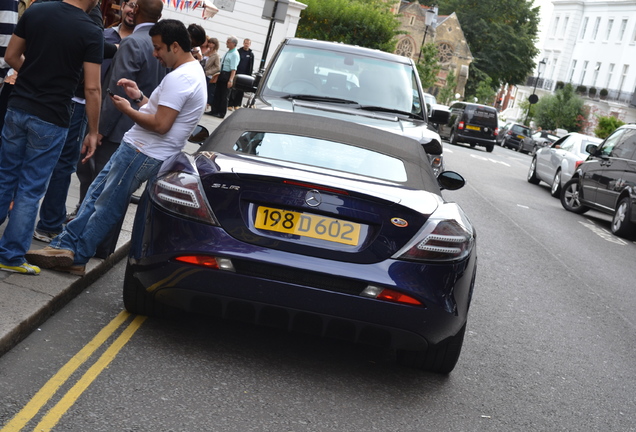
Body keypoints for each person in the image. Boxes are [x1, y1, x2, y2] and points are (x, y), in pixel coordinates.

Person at [25, 18, 207, 276]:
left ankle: (78, 256)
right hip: (139, 149)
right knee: (94, 198)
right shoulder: (190, 73)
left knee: (106, 205)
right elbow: (162, 113)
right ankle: (64, 247)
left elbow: (160, 124)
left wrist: (127, 110)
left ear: (174, 46)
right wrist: (140, 98)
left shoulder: (182, 78)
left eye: (157, 48)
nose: (154, 54)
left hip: (143, 151)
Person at [0, 0, 103, 275]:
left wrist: (33, 74)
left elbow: (11, 56)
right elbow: (92, 88)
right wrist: (93, 132)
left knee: (5, 175)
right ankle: (10, 256)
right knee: (30, 188)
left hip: (18, 106)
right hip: (52, 115)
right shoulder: (91, 30)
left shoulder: (36, 10)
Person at [90, 0, 165, 259]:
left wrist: (98, 130)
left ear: (139, 12)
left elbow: (116, 91)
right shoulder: (162, 45)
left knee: (104, 191)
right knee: (118, 192)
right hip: (147, 129)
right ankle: (104, 246)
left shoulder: (134, 41)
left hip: (120, 128)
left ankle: (95, 244)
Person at [208, 35, 238, 119]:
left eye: (228, 42)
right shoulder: (228, 52)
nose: (226, 43)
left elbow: (233, 68)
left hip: (227, 74)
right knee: (217, 93)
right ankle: (214, 110)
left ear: (233, 43)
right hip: (222, 73)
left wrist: (231, 80)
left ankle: (221, 112)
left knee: (224, 95)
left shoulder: (235, 54)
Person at [228, 38, 253, 111]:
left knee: (241, 91)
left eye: (248, 43)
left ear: (250, 45)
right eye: (245, 43)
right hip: (237, 73)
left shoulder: (251, 54)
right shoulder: (239, 52)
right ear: (243, 43)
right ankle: (230, 104)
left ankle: (237, 104)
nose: (246, 45)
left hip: (245, 75)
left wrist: (249, 75)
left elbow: (251, 65)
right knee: (233, 90)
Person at [203, 37, 219, 112]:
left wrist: (209, 72)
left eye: (212, 43)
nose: (210, 44)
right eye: (209, 42)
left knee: (206, 90)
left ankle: (205, 104)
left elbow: (217, 67)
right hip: (202, 72)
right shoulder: (206, 52)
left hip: (208, 75)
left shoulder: (216, 55)